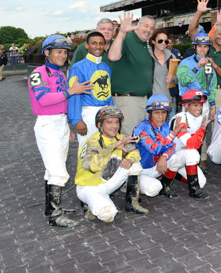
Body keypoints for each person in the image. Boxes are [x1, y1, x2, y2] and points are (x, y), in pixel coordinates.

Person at [28, 35, 92, 227]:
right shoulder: (39, 73)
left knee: (52, 169)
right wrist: (71, 91)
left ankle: (51, 208)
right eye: (59, 51)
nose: (63, 55)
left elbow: (61, 102)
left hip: (60, 123)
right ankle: (55, 217)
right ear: (47, 53)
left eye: (65, 52)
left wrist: (67, 126)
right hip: (47, 124)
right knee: (57, 170)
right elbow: (44, 99)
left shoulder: (61, 74)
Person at [75, 107, 148, 223]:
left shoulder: (119, 137)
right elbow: (90, 165)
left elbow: (135, 152)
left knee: (135, 165)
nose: (114, 126)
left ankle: (132, 204)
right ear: (99, 124)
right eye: (109, 122)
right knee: (108, 216)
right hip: (90, 186)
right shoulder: (93, 141)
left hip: (107, 181)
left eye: (117, 122)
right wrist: (112, 147)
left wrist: (129, 160)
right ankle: (89, 204)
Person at [133, 95, 204, 200]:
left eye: (164, 112)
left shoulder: (166, 125)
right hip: (143, 170)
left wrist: (164, 157)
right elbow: (154, 149)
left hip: (158, 166)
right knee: (154, 189)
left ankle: (165, 187)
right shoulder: (140, 128)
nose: (161, 117)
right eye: (156, 113)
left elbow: (172, 147)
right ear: (149, 113)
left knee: (177, 158)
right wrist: (173, 134)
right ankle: (132, 186)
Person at [108, 13, 155, 136]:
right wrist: (122, 33)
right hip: (128, 102)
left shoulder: (143, 44)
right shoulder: (128, 39)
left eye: (152, 28)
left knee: (141, 141)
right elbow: (112, 56)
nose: (148, 30)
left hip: (142, 101)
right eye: (146, 26)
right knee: (130, 141)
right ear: (138, 25)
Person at [177, 29, 218, 171]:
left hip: (205, 104)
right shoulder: (185, 62)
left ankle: (200, 161)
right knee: (188, 132)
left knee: (201, 133)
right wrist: (197, 67)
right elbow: (182, 80)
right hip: (190, 104)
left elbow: (212, 86)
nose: (203, 49)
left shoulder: (210, 63)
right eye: (200, 46)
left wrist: (213, 105)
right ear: (194, 47)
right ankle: (185, 163)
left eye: (205, 46)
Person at [68, 32, 115, 151]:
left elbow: (108, 92)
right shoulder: (77, 67)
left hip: (105, 113)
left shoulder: (106, 67)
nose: (98, 47)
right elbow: (73, 95)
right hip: (88, 114)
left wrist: (113, 114)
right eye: (94, 43)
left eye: (101, 43)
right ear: (87, 45)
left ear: (105, 46)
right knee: (87, 151)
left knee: (106, 149)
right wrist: (77, 119)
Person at [169, 90, 210, 200]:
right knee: (192, 153)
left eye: (201, 105)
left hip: (184, 158)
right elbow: (192, 145)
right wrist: (200, 131)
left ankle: (175, 175)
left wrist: (192, 145)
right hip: (170, 157)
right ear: (186, 106)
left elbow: (196, 145)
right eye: (195, 105)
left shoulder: (201, 118)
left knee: (202, 182)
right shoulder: (180, 118)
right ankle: (193, 191)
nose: (199, 108)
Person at [149, 28, 178, 120]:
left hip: (170, 101)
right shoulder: (146, 57)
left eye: (166, 41)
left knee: (170, 131)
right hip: (153, 102)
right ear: (153, 41)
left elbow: (178, 78)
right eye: (160, 40)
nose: (163, 43)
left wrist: (173, 79)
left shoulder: (171, 57)